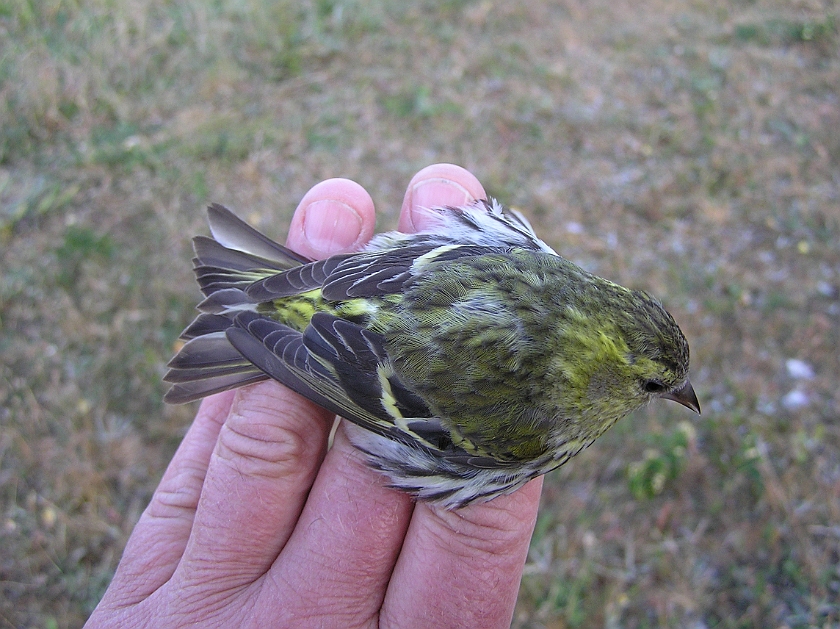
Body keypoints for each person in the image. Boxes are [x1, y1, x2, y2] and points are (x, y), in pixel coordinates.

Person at [85, 164, 542, 629]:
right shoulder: (533, 426)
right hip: (340, 346)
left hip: (355, 282)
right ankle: (255, 311)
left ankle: (260, 304)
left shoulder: (539, 279)